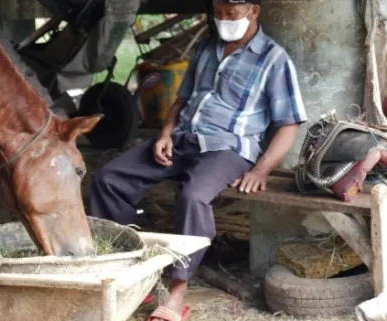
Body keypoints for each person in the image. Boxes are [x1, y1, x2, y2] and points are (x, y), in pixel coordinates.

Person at [88, 0, 308, 320]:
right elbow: (181, 101)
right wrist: (165, 134)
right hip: (182, 141)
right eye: (218, 13)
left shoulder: (274, 60)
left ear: (253, 11)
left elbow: (289, 124)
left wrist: (261, 170)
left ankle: (178, 291)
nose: (223, 20)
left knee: (192, 198)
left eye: (231, 14)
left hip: (228, 149)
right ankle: (129, 268)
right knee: (108, 179)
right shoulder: (206, 47)